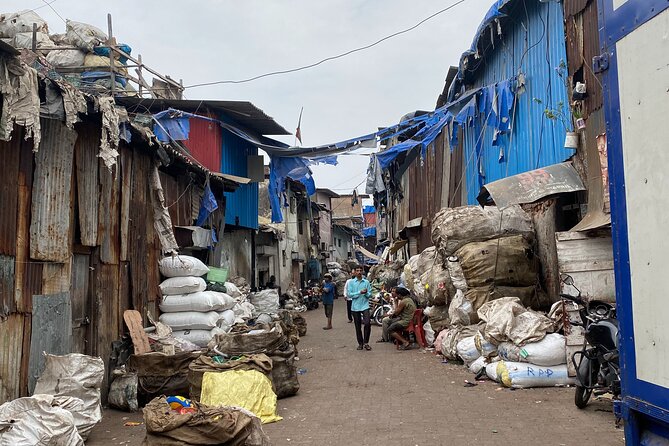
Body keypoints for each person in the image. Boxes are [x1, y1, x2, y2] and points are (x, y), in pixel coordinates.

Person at [347, 266, 372, 351]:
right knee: (357, 326)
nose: (359, 272)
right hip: (355, 307)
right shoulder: (351, 283)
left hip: (365, 305)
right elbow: (349, 294)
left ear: (363, 272)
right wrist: (359, 292)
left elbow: (370, 294)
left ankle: (366, 342)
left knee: (367, 323)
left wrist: (365, 293)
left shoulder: (366, 282)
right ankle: (360, 343)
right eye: (357, 271)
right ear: (354, 272)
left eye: (360, 271)